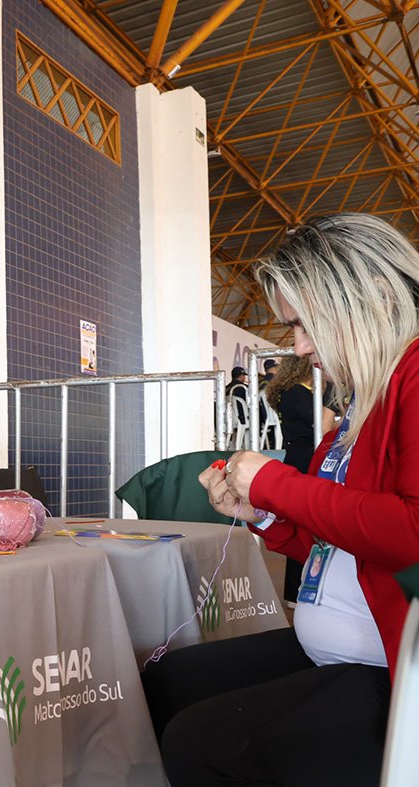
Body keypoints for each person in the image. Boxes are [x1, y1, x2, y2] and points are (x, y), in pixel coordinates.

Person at [142, 212, 419, 786]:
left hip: (391, 668)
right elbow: (333, 545)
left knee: (199, 741)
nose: (300, 346)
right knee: (168, 681)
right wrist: (265, 514)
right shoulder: (360, 406)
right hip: (341, 648)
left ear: (376, 298)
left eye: (307, 325)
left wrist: (275, 483)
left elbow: (412, 537)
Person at [265, 353, 340, 602]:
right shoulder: (297, 393)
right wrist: (333, 398)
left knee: (302, 526)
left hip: (298, 457)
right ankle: (296, 591)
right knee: (304, 526)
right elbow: (322, 424)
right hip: (304, 460)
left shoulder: (290, 392)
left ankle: (295, 591)